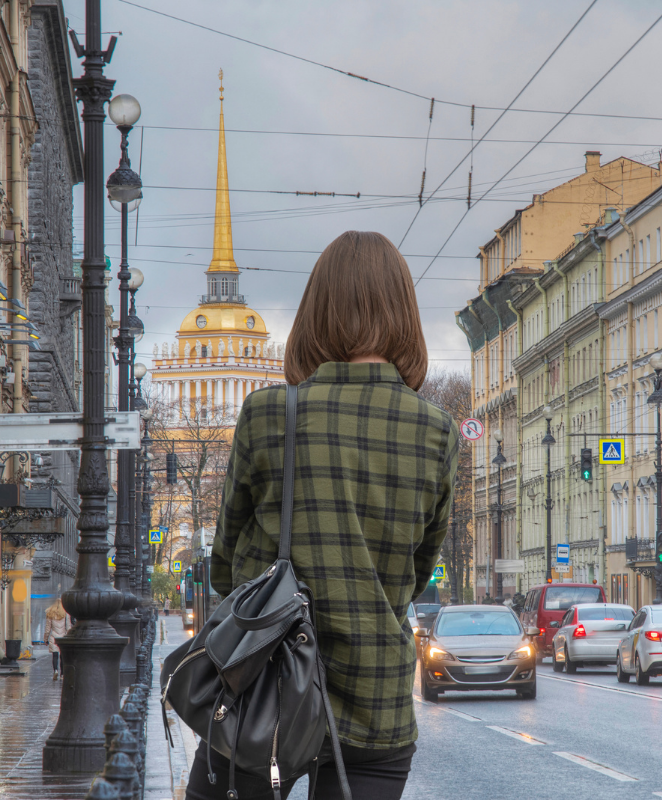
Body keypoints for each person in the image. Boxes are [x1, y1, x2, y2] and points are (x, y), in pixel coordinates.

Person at [189, 231, 458, 800]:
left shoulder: (268, 413)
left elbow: (224, 563)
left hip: (262, 688)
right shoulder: (436, 430)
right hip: (375, 700)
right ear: (404, 314)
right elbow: (415, 572)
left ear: (317, 312)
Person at [42, 597, 71, 680]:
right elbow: (68, 626)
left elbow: (48, 628)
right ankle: (62, 674)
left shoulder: (50, 613)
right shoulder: (66, 613)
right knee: (62, 656)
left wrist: (45, 639)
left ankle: (55, 670)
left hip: (54, 637)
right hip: (63, 637)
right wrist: (68, 637)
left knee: (55, 655)